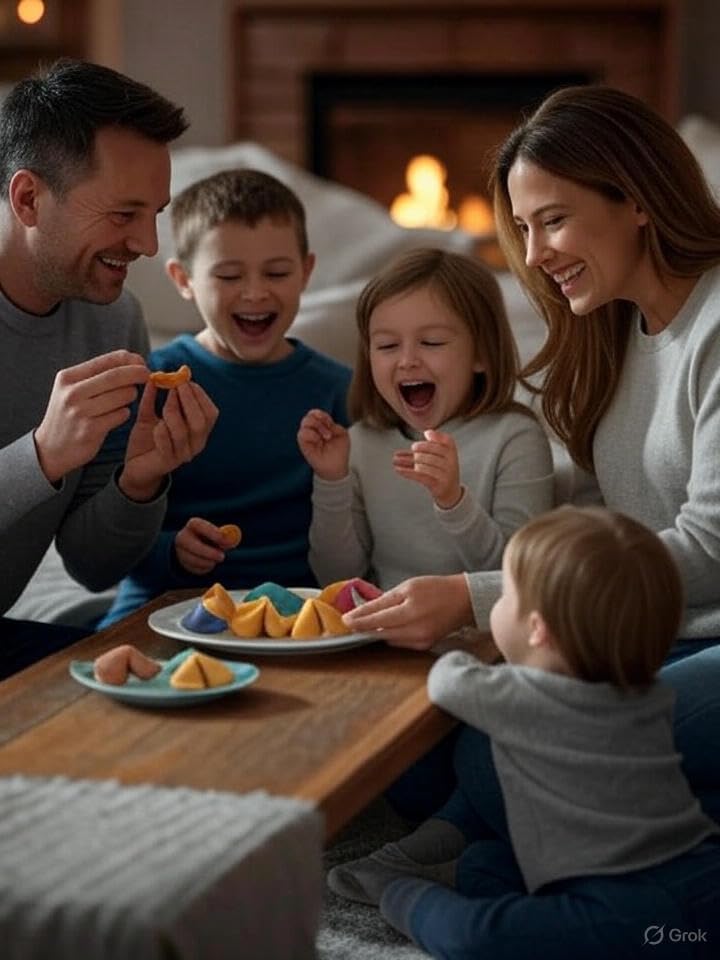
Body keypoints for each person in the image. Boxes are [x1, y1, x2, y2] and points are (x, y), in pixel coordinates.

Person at [343, 85, 720, 822]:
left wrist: (483, 596)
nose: (535, 253)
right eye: (523, 227)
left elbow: (710, 550)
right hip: (639, 634)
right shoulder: (616, 331)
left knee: (507, 754)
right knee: (466, 744)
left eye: (553, 220)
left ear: (637, 200)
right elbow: (602, 517)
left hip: (701, 634)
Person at [330, 506, 720, 957]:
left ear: (537, 629)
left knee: (477, 939)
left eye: (505, 596)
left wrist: (450, 639)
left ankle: (400, 892)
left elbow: (447, 679)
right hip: (696, 866)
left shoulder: (518, 699)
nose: (495, 605)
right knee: (487, 862)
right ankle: (484, 877)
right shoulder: (649, 694)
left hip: (633, 912)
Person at [0, 59, 218, 677]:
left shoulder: (112, 322)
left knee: (173, 684)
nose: (148, 244)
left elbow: (92, 566)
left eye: (154, 214)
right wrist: (42, 455)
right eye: (124, 215)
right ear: (28, 198)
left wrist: (139, 481)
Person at [99, 168, 352, 624]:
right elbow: (107, 546)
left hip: (298, 614)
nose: (255, 292)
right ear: (183, 279)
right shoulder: (151, 385)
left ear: (306, 271)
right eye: (229, 275)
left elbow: (359, 535)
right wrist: (171, 550)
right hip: (165, 606)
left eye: (277, 272)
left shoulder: (339, 389)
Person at [297, 248, 553, 591]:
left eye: (431, 342)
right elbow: (336, 579)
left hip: (482, 622)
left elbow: (517, 575)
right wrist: (332, 480)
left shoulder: (515, 438)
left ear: (481, 353)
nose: (407, 361)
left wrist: (453, 500)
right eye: (387, 346)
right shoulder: (361, 443)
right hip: (383, 620)